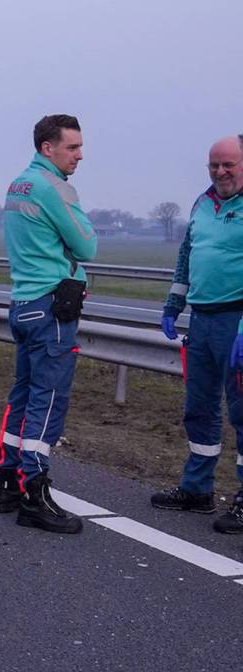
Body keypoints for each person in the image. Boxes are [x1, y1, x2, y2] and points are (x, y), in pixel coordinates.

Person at [0, 114, 97, 534]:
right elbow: (87, 245)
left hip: (24, 304)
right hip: (52, 309)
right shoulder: (53, 187)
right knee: (47, 402)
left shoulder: (18, 183)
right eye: (72, 148)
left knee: (22, 397)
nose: (79, 156)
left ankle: (8, 482)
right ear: (47, 147)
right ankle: (34, 493)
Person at [152, 134, 243, 533]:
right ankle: (197, 489)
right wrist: (174, 305)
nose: (220, 172)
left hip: (237, 321)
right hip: (202, 320)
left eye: (229, 165)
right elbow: (187, 255)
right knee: (199, 407)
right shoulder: (203, 203)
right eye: (214, 165)